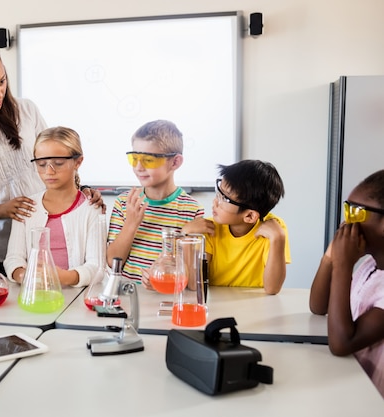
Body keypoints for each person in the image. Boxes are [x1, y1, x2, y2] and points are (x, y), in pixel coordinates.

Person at [0, 37, 103, 272]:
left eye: (2, 81)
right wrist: (0, 210)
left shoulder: (26, 110)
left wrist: (81, 192)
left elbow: (54, 160)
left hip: (46, 242)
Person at [309, 170, 384, 397]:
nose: (347, 221)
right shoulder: (370, 266)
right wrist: (332, 257)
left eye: (356, 212)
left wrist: (343, 265)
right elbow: (318, 306)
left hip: (373, 396)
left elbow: (342, 343)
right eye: (347, 209)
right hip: (353, 381)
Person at [107, 120, 204, 283]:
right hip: (128, 297)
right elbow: (113, 262)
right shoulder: (124, 203)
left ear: (175, 162)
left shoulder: (192, 210)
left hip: (168, 299)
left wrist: (162, 279)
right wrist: (131, 224)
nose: (138, 167)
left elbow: (192, 276)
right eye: (134, 158)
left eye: (148, 160)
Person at [4, 127, 100, 286]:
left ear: (78, 162)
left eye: (59, 163)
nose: (49, 171)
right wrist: (24, 276)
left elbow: (96, 267)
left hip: (74, 297)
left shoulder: (91, 208)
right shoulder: (26, 207)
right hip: (35, 293)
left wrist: (64, 277)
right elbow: (13, 259)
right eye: (41, 164)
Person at [182, 159, 290, 295]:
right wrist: (186, 237)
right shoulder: (209, 228)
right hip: (216, 303)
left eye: (224, 199)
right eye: (218, 192)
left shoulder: (274, 230)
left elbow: (272, 289)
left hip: (256, 306)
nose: (215, 202)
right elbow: (194, 285)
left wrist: (278, 239)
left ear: (250, 216)